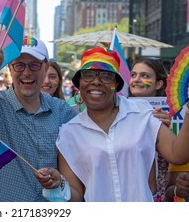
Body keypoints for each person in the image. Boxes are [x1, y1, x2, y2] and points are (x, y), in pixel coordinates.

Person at [36, 47, 189, 202]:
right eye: (88, 75)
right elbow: (76, 195)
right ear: (80, 84)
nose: (96, 81)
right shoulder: (69, 133)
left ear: (116, 84)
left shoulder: (142, 113)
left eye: (106, 76)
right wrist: (59, 185)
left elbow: (178, 154)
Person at [0, 36, 77, 202]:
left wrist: (59, 181)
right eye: (19, 65)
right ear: (10, 69)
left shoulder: (63, 112)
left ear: (46, 67)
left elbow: (74, 181)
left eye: (34, 65)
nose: (26, 72)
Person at [129, 57, 171, 201]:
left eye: (145, 76)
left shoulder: (173, 114)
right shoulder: (116, 110)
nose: (136, 79)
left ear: (158, 83)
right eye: (133, 75)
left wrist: (169, 130)